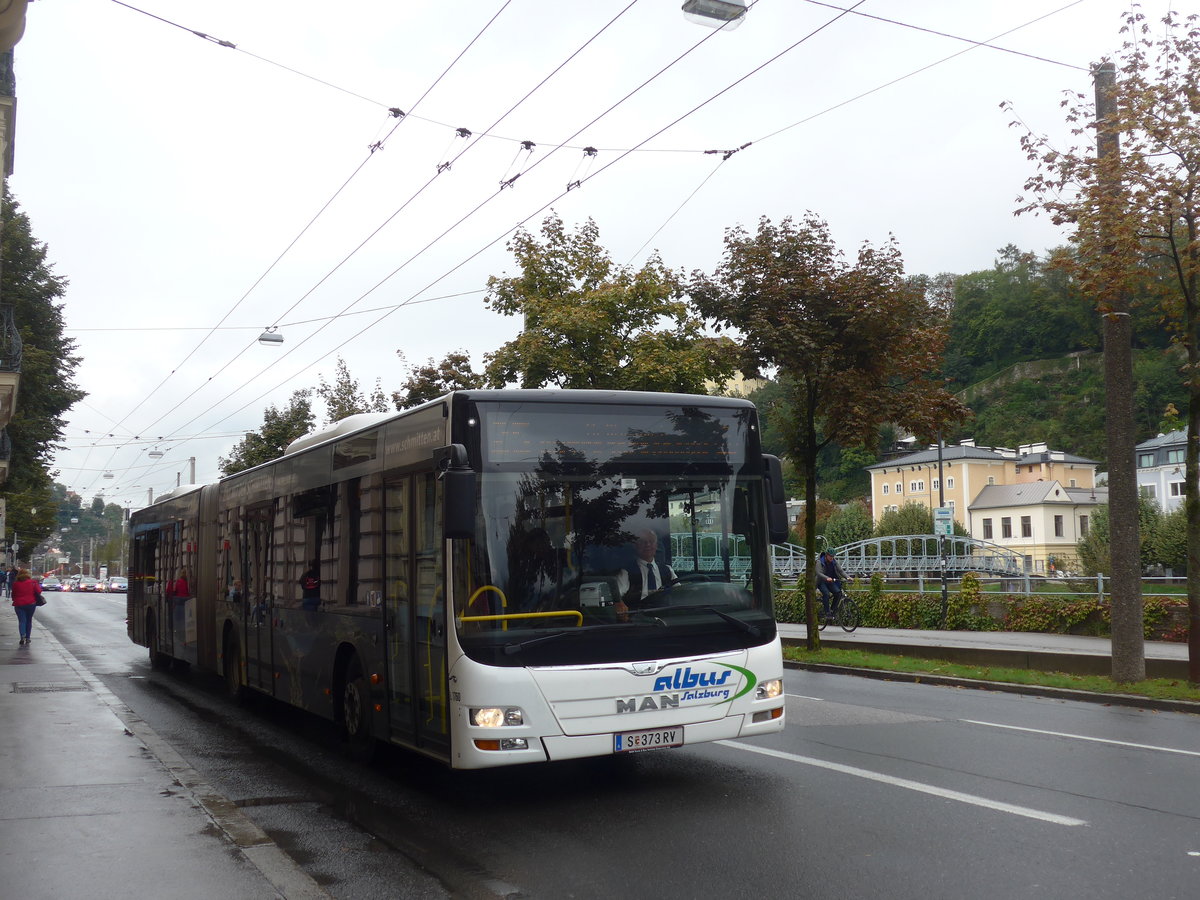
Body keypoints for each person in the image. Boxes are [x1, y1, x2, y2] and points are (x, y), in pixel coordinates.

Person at [614, 530, 676, 619]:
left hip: (666, 618)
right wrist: (619, 604)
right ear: (636, 545)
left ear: (656, 545)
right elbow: (616, 597)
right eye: (643, 541)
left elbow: (680, 592)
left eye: (651, 541)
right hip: (638, 621)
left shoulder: (667, 570)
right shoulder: (626, 572)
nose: (648, 545)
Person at [11, 567, 41, 646]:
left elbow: (13, 594)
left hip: (19, 604)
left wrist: (15, 599)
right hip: (31, 603)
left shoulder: (16, 583)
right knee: (29, 620)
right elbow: (39, 591)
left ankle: (22, 636)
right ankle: (28, 638)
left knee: (22, 621)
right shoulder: (33, 582)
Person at [816, 549, 848, 618]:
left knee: (838, 593)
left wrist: (847, 577)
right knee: (826, 593)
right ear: (826, 555)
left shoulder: (834, 562)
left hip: (830, 581)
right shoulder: (819, 562)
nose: (832, 558)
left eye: (833, 556)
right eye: (830, 556)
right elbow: (819, 573)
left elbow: (841, 571)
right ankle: (827, 612)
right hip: (821, 581)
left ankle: (832, 610)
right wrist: (826, 578)